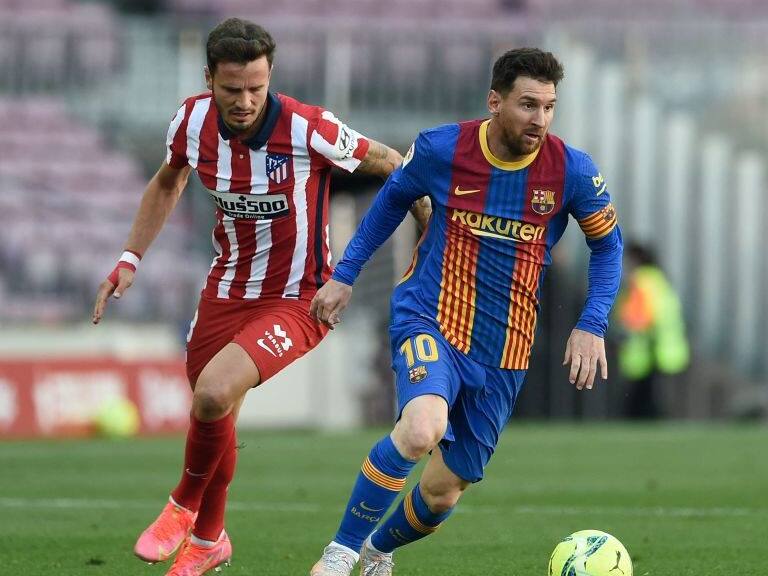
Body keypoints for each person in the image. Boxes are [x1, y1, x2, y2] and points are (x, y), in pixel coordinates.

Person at [92, 18, 428, 576]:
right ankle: (208, 542)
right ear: (209, 81)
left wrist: (426, 238)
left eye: (256, 87)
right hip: (225, 290)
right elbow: (168, 180)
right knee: (216, 413)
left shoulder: (306, 127)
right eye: (232, 90)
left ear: (270, 76)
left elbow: (393, 164)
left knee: (212, 394)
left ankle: (182, 507)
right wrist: (130, 258)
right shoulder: (190, 121)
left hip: (300, 299)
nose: (246, 100)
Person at [308, 47, 623, 576]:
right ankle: (339, 553)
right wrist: (344, 275)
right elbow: (389, 202)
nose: (539, 119)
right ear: (494, 101)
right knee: (421, 428)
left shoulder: (571, 169)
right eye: (528, 105)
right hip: (429, 316)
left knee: (442, 493)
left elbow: (608, 246)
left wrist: (591, 324)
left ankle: (376, 552)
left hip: (504, 350)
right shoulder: (440, 148)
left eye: (549, 107)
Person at [616, 241, 689, 418]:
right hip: (666, 349)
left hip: (650, 350)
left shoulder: (640, 281)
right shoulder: (658, 279)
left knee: (641, 403)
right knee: (655, 399)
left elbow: (638, 318)